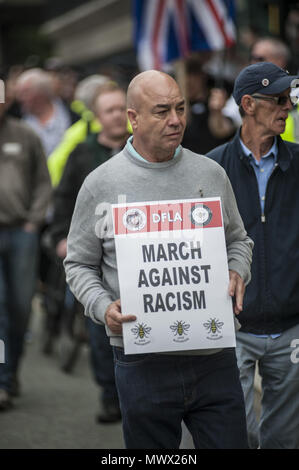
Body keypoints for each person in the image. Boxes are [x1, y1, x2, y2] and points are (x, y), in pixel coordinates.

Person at [64, 70, 253, 449]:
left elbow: (239, 241)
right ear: (133, 118)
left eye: (180, 108)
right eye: (162, 111)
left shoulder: (210, 173)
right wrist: (103, 307)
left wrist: (236, 270)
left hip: (212, 354)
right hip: (140, 360)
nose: (176, 120)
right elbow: (78, 264)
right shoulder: (101, 182)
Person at [207, 62, 299, 449]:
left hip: (292, 327)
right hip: (233, 327)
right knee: (235, 435)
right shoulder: (211, 168)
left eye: (289, 100)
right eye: (277, 100)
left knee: (284, 439)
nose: (287, 108)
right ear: (248, 104)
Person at [50, 82, 129, 423]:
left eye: (119, 109)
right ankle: (110, 396)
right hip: (95, 261)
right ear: (97, 117)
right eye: (108, 110)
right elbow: (64, 200)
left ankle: (136, 397)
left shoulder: (140, 151)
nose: (115, 116)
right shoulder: (81, 155)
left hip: (136, 258)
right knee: (101, 329)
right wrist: (60, 237)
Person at [0, 78, 52, 410]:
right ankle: (2, 381)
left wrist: (33, 222)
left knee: (20, 309)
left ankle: (12, 369)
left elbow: (43, 181)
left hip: (21, 233)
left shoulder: (25, 134)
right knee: (0, 309)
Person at [181, 58, 235, 154]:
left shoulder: (216, 102)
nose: (188, 81)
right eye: (185, 75)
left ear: (203, 76)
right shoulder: (179, 107)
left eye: (193, 74)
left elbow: (222, 131)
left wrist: (217, 112)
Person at [15, 68, 72, 157]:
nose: (20, 98)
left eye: (25, 92)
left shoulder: (72, 115)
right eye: (18, 93)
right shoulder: (19, 126)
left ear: (41, 93)